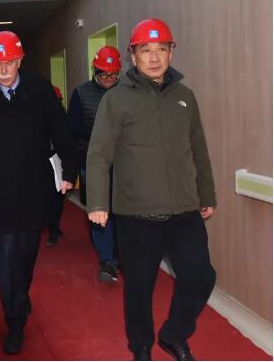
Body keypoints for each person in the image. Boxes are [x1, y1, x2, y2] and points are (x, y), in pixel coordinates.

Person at [87, 19, 217, 361]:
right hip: (136, 214)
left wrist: (206, 193)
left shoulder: (185, 97)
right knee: (139, 287)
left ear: (172, 52)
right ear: (134, 56)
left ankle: (174, 335)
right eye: (146, 50)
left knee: (200, 276)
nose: (155, 57)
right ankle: (141, 346)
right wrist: (97, 202)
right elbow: (99, 154)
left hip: (184, 210)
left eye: (161, 49)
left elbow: (198, 150)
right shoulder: (116, 100)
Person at [0, 31, 77, 355]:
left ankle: (21, 293)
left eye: (10, 61)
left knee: (27, 254)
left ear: (20, 60)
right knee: (7, 254)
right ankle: (14, 322)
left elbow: (61, 131)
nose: (4, 68)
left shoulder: (40, 90)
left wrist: (69, 171)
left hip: (34, 190)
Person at [66, 46, 122, 281]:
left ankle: (120, 252)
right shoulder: (81, 92)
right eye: (103, 75)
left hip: (123, 161)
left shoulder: (128, 92)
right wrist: (99, 133)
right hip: (91, 160)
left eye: (112, 75)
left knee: (121, 208)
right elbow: (71, 125)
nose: (108, 79)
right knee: (99, 209)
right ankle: (106, 260)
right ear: (94, 71)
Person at [46, 85, 66, 247]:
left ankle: (54, 229)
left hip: (57, 160)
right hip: (41, 160)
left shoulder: (63, 118)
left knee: (58, 196)